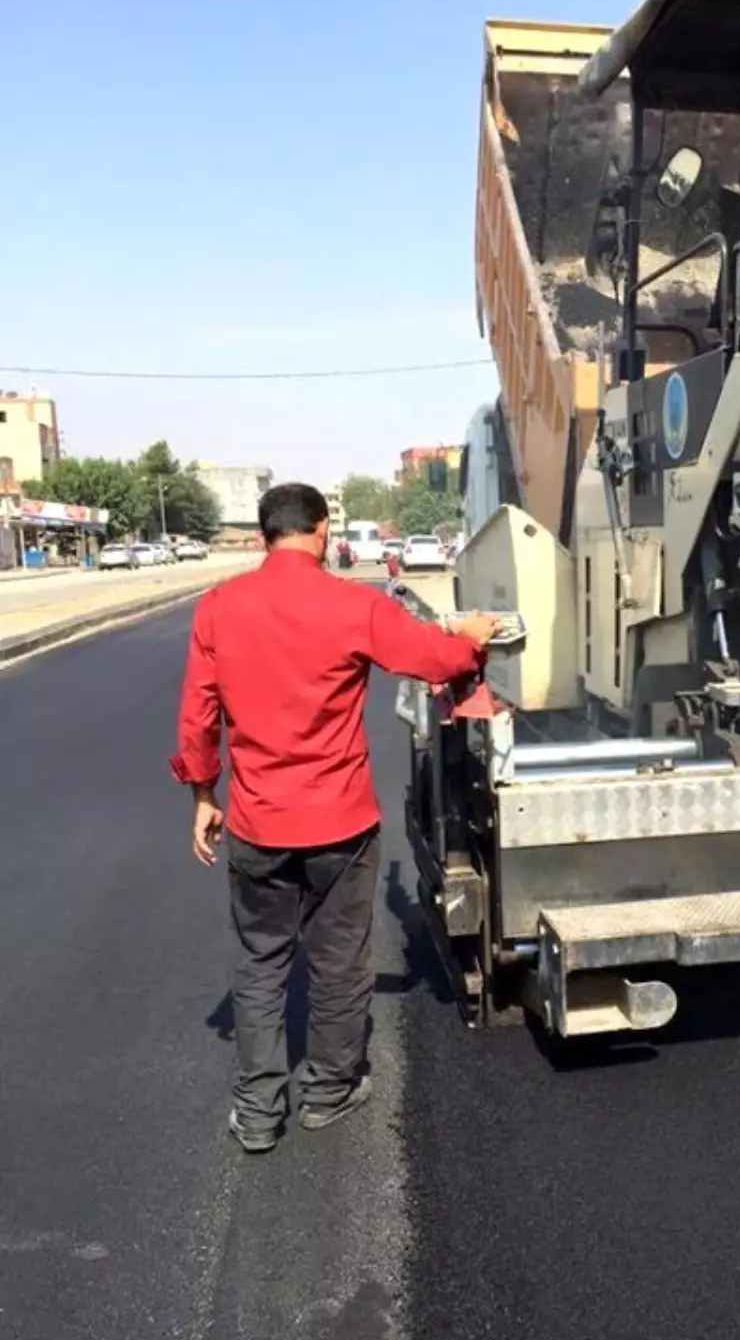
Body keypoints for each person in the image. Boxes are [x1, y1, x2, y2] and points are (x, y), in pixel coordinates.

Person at [170, 483, 498, 1153]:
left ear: (266, 535)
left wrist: (204, 796)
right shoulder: (353, 605)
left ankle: (259, 1113)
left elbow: (198, 719)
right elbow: (433, 658)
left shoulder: (218, 609)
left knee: (260, 963)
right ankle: (329, 1091)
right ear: (321, 532)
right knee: (339, 960)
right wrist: (471, 640)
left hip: (257, 824)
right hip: (339, 825)